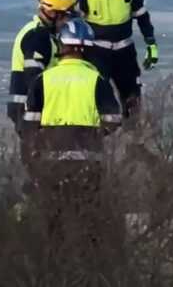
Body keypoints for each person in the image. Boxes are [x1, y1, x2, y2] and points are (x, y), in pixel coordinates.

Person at [22, 17, 121, 255]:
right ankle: (90, 269)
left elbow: (29, 124)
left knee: (52, 222)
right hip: (88, 161)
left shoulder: (43, 80)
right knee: (89, 220)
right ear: (87, 49)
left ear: (61, 46)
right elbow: (113, 119)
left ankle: (54, 269)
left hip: (50, 162)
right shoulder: (96, 80)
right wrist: (94, 134)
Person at [76, 0, 159, 118]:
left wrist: (151, 44)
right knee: (96, 101)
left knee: (133, 101)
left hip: (124, 53)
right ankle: (98, 141)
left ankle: (134, 141)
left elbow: (142, 16)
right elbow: (76, 22)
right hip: (96, 53)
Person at [7, 0, 76, 134]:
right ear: (54, 14)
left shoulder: (39, 32)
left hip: (29, 109)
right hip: (33, 111)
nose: (67, 22)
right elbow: (34, 79)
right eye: (65, 16)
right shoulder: (38, 37)